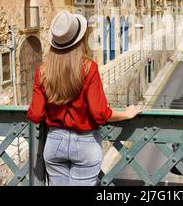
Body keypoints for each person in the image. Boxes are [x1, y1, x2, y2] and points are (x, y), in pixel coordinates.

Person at [27, 11, 142, 186]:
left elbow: (35, 115)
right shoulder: (89, 68)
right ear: (79, 40)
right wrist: (126, 114)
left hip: (54, 142)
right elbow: (99, 113)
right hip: (85, 143)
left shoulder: (42, 71)